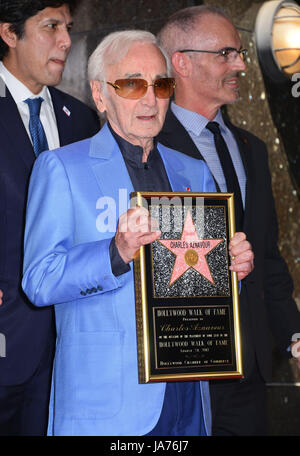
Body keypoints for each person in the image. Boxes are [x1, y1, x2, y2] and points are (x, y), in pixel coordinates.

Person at [21, 29, 254, 436]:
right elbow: (39, 281)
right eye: (132, 84)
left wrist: (231, 269)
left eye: (160, 85)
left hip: (190, 394)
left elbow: (198, 283)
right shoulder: (61, 169)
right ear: (100, 95)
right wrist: (114, 253)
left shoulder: (194, 171)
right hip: (108, 404)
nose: (150, 99)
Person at [157, 5, 300, 436]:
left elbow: (269, 257)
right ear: (181, 62)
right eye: (226, 54)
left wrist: (293, 336)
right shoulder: (146, 145)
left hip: (249, 369)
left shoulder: (251, 147)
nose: (240, 64)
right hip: (179, 373)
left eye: (239, 53)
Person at [0, 0, 100, 436]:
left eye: (69, 27)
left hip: (73, 346)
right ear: (9, 32)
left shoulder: (80, 119)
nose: (66, 40)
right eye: (51, 27)